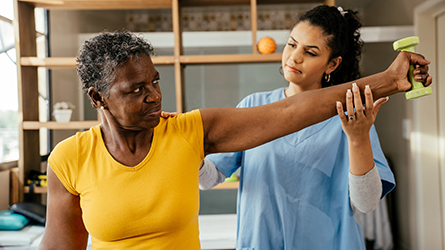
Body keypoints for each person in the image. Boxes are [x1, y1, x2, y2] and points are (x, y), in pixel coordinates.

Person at [38, 28, 431, 249]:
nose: (155, 95)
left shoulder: (188, 130)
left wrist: (389, 81)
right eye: (135, 89)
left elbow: (290, 113)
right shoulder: (69, 159)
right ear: (98, 97)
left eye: (156, 81)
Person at [198, 5, 425, 250]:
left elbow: (366, 203)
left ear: (332, 64)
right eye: (292, 44)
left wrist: (358, 138)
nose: (295, 57)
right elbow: (208, 179)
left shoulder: (351, 115)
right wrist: (190, 147)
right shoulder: (253, 106)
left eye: (311, 52)